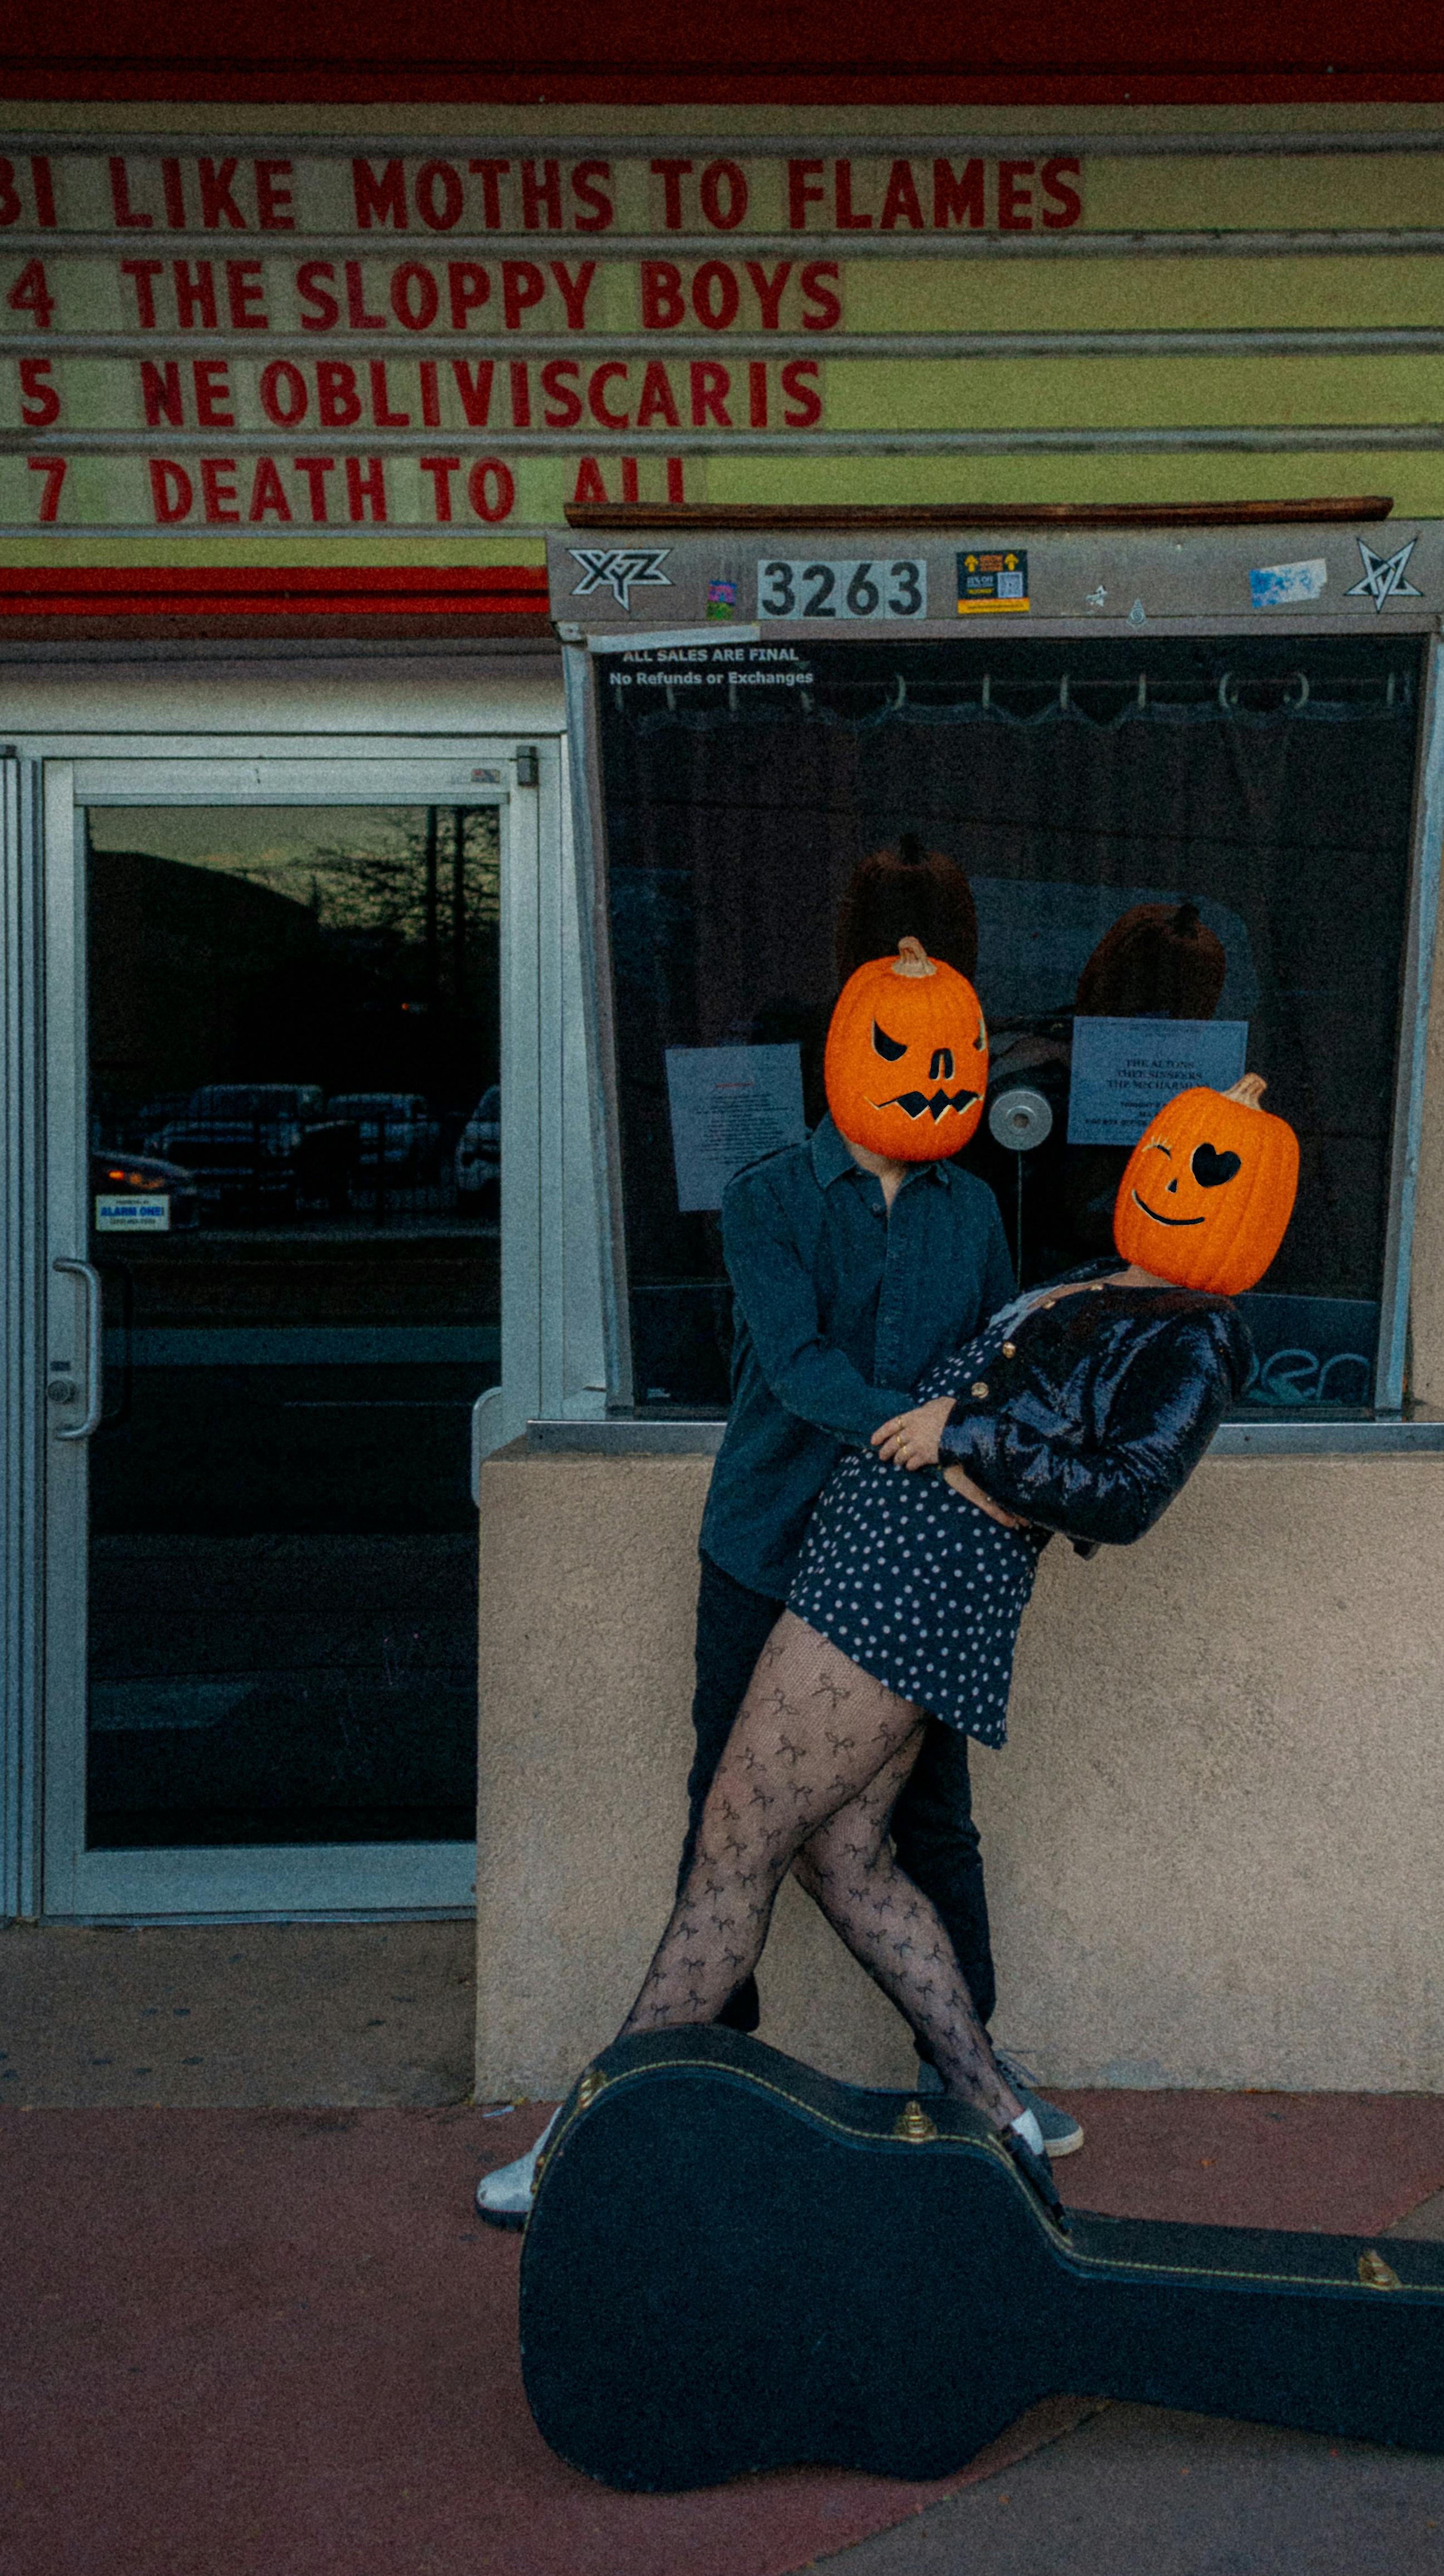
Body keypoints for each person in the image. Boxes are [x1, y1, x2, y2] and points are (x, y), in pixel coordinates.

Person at [580, 1072, 1299, 2226]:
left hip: (903, 1583)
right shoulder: (1098, 1281)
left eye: (1204, 1169)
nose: (1167, 1178)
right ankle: (995, 2112)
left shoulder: (1194, 1333)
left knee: (736, 1844)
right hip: (861, 1555)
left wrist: (959, 1437)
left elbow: (1119, 1495)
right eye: (1165, 1153)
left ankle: (597, 2138)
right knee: (841, 1858)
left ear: (1251, 1205)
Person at [476, 936, 1078, 2228]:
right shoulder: (765, 1197)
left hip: (900, 1565)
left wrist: (980, 1436)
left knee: (916, 1831)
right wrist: (923, 1430)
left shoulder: (970, 1208)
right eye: (912, 1059)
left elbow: (984, 1370)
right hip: (766, 1547)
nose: (940, 1081)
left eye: (957, 1061)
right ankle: (703, 2081)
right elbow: (799, 1369)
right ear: (847, 1063)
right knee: (733, 1827)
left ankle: (964, 2072)